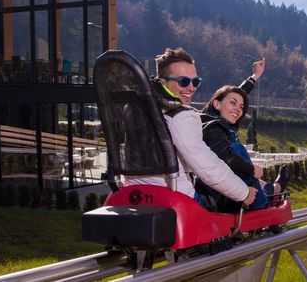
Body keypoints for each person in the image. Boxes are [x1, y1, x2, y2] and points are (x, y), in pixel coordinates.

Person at [122, 47, 257, 208]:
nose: (191, 88)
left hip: (133, 195)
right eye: (184, 81)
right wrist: (244, 193)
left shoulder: (134, 108)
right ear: (163, 80)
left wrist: (254, 78)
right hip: (175, 198)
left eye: (196, 81)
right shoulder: (181, 115)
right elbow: (207, 167)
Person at [197, 78, 291, 212]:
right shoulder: (214, 128)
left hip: (221, 183)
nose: (238, 109)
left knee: (237, 151)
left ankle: (271, 189)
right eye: (233, 103)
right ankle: (266, 197)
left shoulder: (215, 121)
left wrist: (253, 78)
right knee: (237, 149)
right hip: (218, 191)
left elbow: (234, 94)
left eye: (242, 107)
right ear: (216, 104)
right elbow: (226, 155)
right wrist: (251, 169)